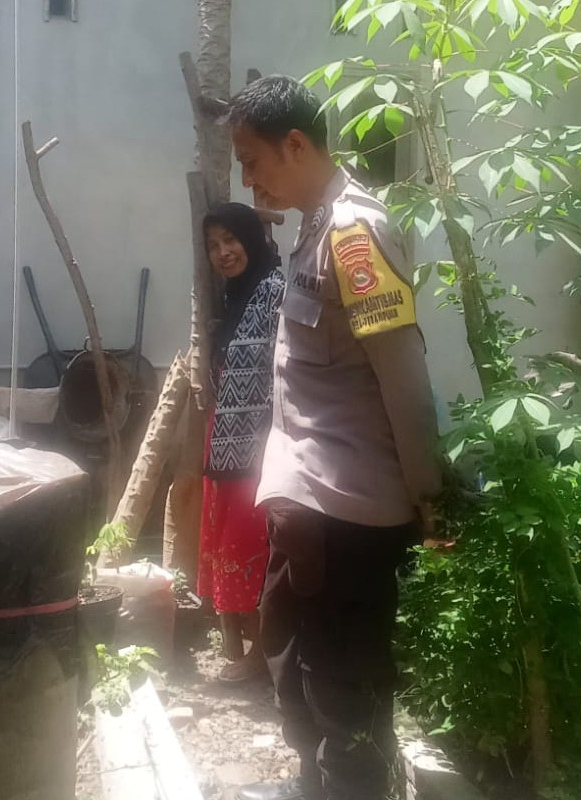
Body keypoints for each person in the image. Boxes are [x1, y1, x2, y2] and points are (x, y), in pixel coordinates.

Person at [227, 76, 443, 800]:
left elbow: (402, 374)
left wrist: (430, 495)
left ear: (295, 144)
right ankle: (313, 785)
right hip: (308, 503)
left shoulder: (354, 233)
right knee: (294, 664)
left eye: (252, 161)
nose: (249, 179)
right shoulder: (314, 225)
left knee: (342, 682)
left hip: (348, 512)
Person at [197, 202, 287, 683]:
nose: (223, 252)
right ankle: (249, 652)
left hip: (259, 446)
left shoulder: (275, 292)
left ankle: (262, 657)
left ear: (251, 239)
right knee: (232, 546)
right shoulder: (233, 297)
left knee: (255, 546)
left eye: (231, 240)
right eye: (213, 245)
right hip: (226, 442)